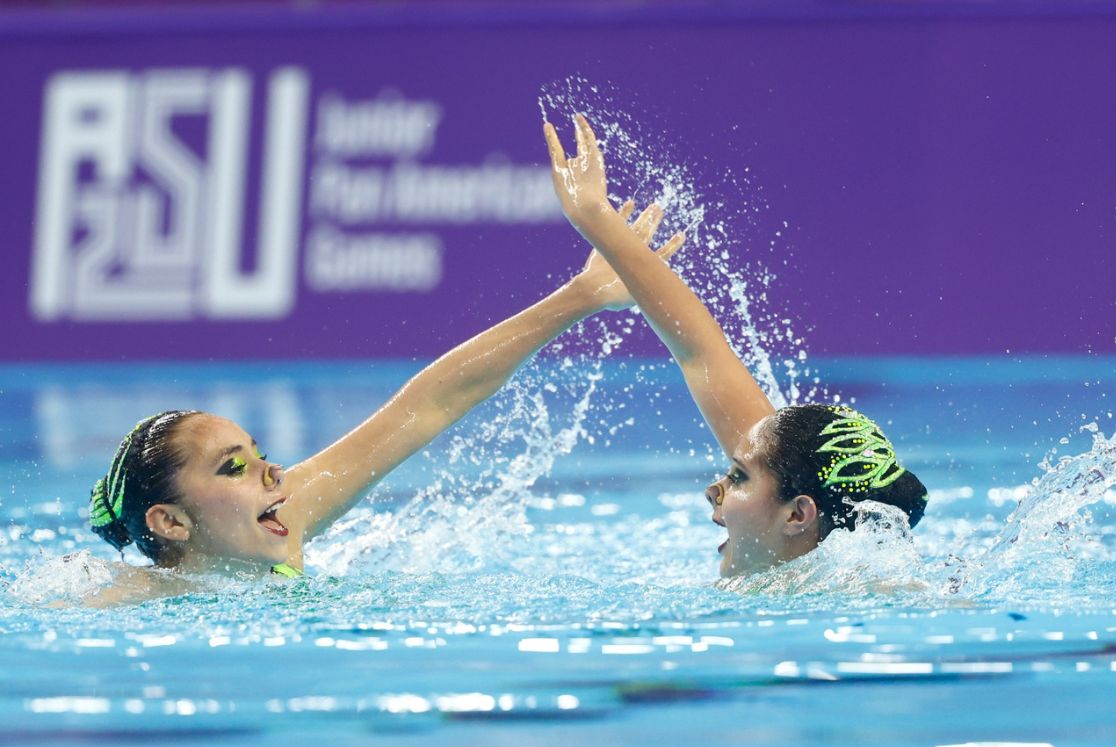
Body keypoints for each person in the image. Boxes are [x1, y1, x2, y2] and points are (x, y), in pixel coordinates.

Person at [80, 204, 683, 607]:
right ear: (171, 523)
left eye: (259, 454)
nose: (274, 472)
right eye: (233, 467)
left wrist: (580, 297)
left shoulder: (284, 526)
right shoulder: (129, 601)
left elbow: (430, 404)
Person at [544, 114, 928, 577]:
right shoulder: (798, 531)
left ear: (798, 515)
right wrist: (595, 218)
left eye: (739, 477)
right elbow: (699, 351)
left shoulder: (872, 602)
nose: (713, 490)